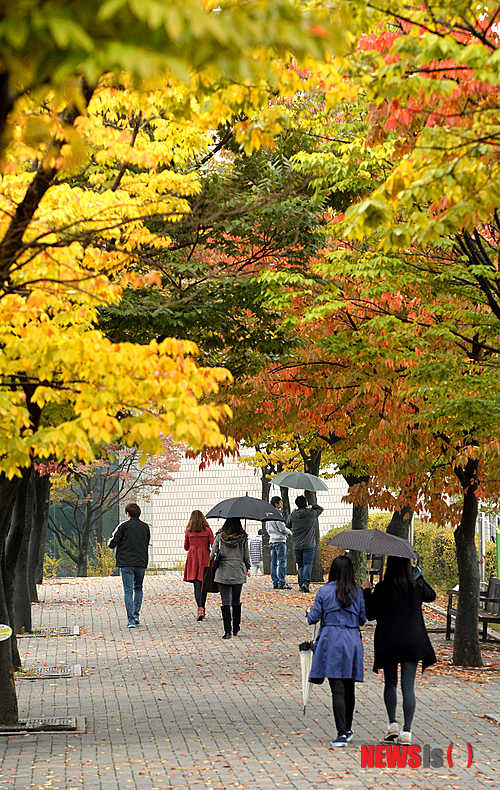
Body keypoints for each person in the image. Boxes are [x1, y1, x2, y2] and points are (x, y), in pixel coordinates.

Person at [362, 556, 437, 745]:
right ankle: (407, 731)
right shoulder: (416, 588)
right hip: (412, 642)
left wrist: (366, 591)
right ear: (407, 567)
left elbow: (369, 614)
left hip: (389, 642)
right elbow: (432, 594)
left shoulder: (383, 588)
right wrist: (418, 573)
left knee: (391, 683)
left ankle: (392, 725)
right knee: (408, 686)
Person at [306, 556, 366, 747]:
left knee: (337, 690)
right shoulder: (357, 592)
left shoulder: (324, 591)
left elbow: (313, 618)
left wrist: (308, 612)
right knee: (349, 688)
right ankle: (347, 730)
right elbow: (362, 619)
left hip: (330, 640)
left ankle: (340, 734)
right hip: (351, 640)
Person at [108, 502, 150, 628]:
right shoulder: (145, 527)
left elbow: (113, 543)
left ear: (127, 513)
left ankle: (130, 620)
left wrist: (111, 543)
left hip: (126, 563)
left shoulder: (123, 526)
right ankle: (136, 615)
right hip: (141, 561)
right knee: (138, 587)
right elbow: (146, 542)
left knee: (128, 590)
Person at [210, 517, 250, 639]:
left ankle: (227, 631)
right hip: (238, 570)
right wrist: (247, 567)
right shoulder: (243, 537)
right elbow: (246, 556)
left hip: (223, 571)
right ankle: (236, 628)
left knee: (225, 601)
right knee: (236, 600)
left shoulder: (220, 536)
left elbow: (212, 555)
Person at [287, 495, 324, 593]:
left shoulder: (293, 514)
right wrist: (312, 506)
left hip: (297, 544)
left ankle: (300, 584)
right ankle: (306, 583)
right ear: (306, 503)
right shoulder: (311, 514)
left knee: (300, 565)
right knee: (308, 563)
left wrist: (293, 513)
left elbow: (288, 524)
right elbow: (321, 509)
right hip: (309, 543)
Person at [183, 510, 214, 621]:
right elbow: (213, 544)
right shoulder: (207, 531)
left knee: (196, 584)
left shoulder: (189, 531)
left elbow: (186, 547)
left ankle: (200, 608)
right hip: (205, 557)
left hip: (193, 558)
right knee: (203, 583)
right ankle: (203, 608)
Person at [267, 496, 292, 589]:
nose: (282, 504)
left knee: (273, 563)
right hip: (280, 540)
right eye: (280, 502)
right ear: (276, 504)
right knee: (282, 562)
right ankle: (282, 582)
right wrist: (289, 532)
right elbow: (281, 527)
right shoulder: (278, 514)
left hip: (272, 540)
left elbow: (267, 528)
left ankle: (275, 582)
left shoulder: (268, 514)